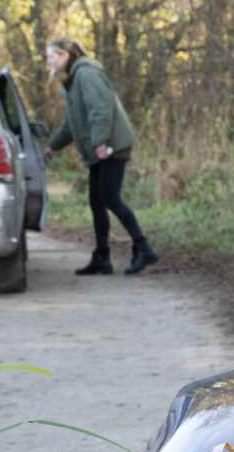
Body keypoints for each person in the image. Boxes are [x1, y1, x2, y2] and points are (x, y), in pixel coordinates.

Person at [43, 37, 158, 276]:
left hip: (112, 145)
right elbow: (70, 124)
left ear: (65, 55)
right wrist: (52, 147)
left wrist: (101, 142)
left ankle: (143, 247)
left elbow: (101, 109)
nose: (49, 61)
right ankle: (102, 256)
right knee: (97, 200)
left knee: (110, 197)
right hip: (101, 146)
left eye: (52, 56)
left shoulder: (86, 74)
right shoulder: (75, 80)